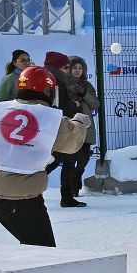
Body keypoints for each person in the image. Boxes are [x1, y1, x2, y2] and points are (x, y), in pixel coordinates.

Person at [0, 66, 90, 247]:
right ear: (48, 91)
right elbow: (71, 144)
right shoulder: (49, 117)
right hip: (23, 196)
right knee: (43, 251)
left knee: (30, 246)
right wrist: (79, 122)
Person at [43, 51, 86, 208]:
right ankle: (66, 197)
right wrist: (73, 105)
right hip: (60, 127)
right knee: (65, 161)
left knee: (57, 161)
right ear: (56, 67)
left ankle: (31, 190)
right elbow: (58, 106)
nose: (68, 70)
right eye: (66, 67)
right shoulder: (57, 83)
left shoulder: (51, 80)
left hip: (55, 128)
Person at [67, 56, 100, 198]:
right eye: (74, 68)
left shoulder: (87, 85)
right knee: (70, 158)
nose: (77, 71)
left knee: (84, 157)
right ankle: (70, 188)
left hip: (86, 126)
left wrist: (84, 94)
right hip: (69, 126)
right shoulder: (64, 84)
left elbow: (95, 104)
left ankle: (76, 181)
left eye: (80, 68)